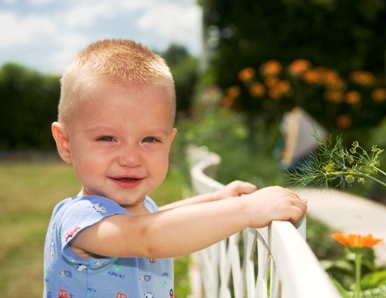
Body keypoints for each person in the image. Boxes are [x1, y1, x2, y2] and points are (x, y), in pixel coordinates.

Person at [44, 39, 307, 298]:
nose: (131, 158)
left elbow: (155, 218)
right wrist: (248, 210)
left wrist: (215, 199)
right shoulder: (78, 220)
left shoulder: (133, 212)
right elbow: (146, 235)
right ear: (66, 143)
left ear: (169, 142)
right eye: (107, 138)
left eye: (150, 140)